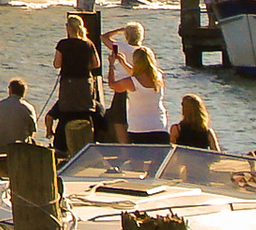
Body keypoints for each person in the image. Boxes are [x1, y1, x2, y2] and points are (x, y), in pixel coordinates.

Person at [50, 14, 100, 154]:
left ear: (69, 28)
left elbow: (57, 64)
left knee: (66, 113)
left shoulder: (63, 44)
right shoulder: (88, 44)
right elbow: (96, 64)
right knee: (85, 112)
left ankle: (61, 146)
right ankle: (89, 142)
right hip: (85, 82)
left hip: (69, 82)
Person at [111, 45, 169, 144]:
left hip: (139, 128)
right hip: (159, 126)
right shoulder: (158, 76)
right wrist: (123, 63)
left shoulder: (130, 82)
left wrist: (111, 66)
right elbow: (140, 74)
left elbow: (113, 85)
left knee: (138, 158)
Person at [101, 22, 146, 144]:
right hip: (139, 86)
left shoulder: (121, 47)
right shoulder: (144, 52)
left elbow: (104, 37)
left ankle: (123, 145)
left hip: (122, 86)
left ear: (127, 36)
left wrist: (120, 29)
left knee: (119, 118)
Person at [0, 79, 38, 150]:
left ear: (10, 90)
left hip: (1, 146)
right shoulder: (28, 108)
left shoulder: (0, 104)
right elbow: (32, 131)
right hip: (19, 148)